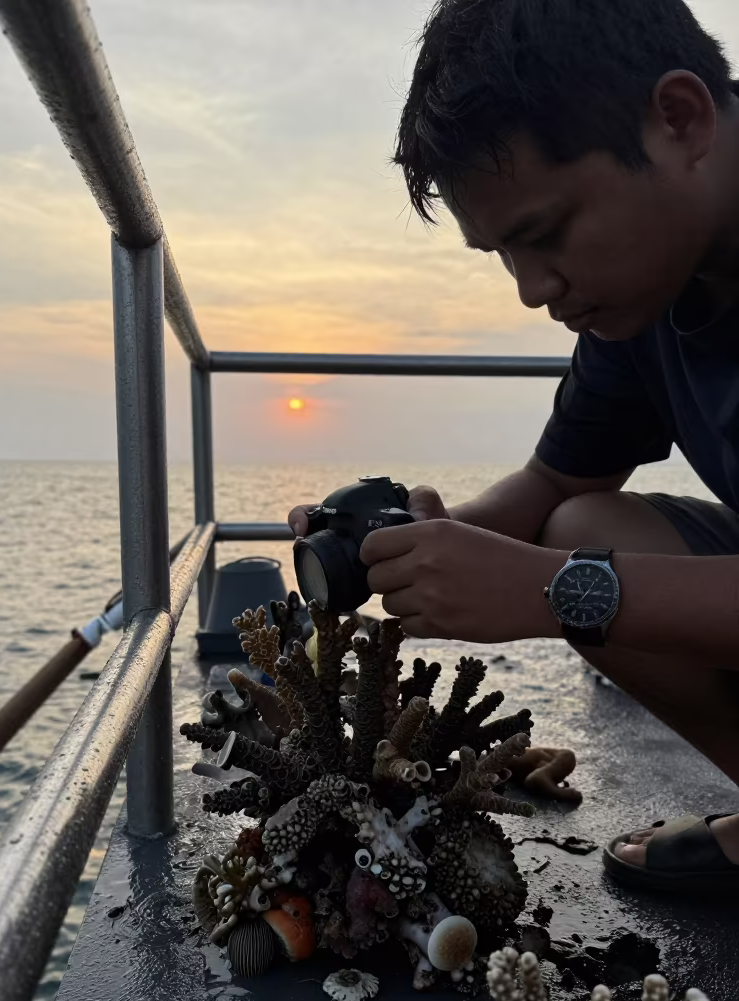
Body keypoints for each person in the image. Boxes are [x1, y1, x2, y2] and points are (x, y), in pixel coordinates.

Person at [290, 0, 739, 894]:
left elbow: (555, 580)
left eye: (544, 234)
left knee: (582, 575)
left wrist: (545, 590)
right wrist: (405, 545)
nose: (534, 290)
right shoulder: (646, 289)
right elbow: (547, 487)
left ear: (679, 118)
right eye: (501, 253)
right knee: (583, 521)